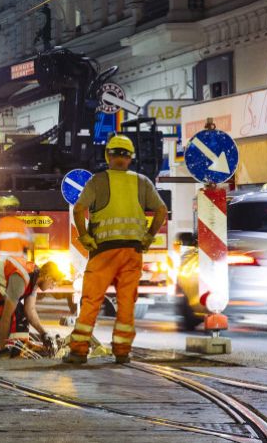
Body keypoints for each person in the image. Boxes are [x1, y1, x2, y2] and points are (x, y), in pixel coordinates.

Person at [64, 134, 167, 365]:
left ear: (108, 156)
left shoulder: (98, 181)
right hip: (132, 252)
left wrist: (83, 235)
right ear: (130, 158)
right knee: (127, 302)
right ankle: (122, 351)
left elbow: (79, 209)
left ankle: (79, 351)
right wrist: (149, 237)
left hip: (104, 252)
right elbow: (161, 211)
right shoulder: (143, 182)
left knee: (91, 301)